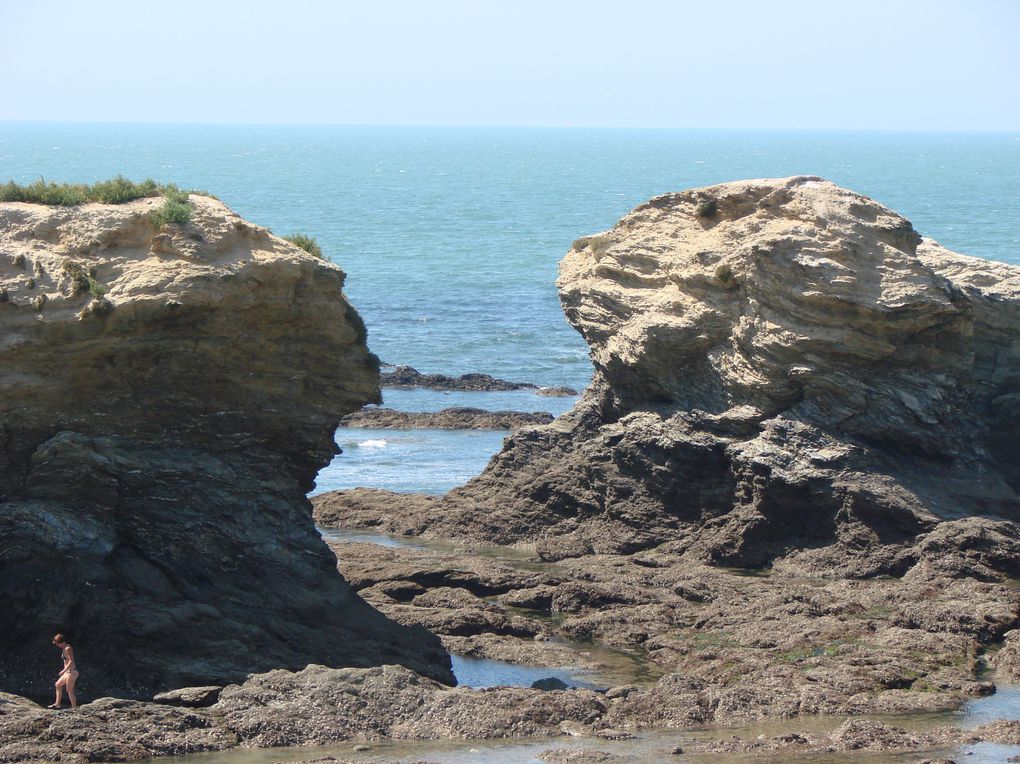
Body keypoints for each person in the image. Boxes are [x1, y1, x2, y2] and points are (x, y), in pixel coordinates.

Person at [48, 633, 78, 709]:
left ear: (60, 642)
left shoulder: (68, 648)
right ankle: (57, 704)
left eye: (57, 644)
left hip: (72, 671)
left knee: (69, 690)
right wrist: (65, 671)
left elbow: (71, 661)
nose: (57, 646)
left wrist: (63, 671)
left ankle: (74, 708)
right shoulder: (63, 648)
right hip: (67, 672)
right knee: (57, 685)